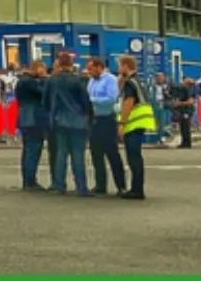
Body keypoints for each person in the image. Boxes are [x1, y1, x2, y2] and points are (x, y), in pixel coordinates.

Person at [45, 52, 93, 196]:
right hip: (78, 120)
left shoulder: (52, 80)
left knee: (61, 153)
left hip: (59, 120)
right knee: (78, 154)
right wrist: (88, 116)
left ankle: (59, 185)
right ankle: (81, 187)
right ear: (71, 64)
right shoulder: (77, 80)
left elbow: (46, 100)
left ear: (58, 63)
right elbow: (85, 100)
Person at [114, 56, 154, 200]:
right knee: (136, 156)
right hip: (140, 122)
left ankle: (137, 190)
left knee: (133, 157)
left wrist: (122, 123)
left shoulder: (130, 83)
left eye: (120, 66)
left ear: (125, 66)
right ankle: (137, 188)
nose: (119, 69)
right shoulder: (136, 80)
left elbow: (128, 103)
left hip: (134, 123)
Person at [85, 57, 125, 196]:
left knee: (112, 153)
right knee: (96, 154)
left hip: (107, 119)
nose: (89, 72)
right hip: (94, 120)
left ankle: (121, 185)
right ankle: (100, 185)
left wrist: (92, 100)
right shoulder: (91, 81)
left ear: (99, 67)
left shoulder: (110, 80)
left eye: (91, 69)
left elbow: (111, 99)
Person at [13, 58, 49, 190]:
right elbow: (43, 92)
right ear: (38, 68)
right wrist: (44, 79)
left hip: (23, 118)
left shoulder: (21, 81)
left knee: (27, 150)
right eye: (43, 69)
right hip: (33, 118)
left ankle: (27, 180)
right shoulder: (30, 82)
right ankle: (30, 181)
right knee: (33, 151)